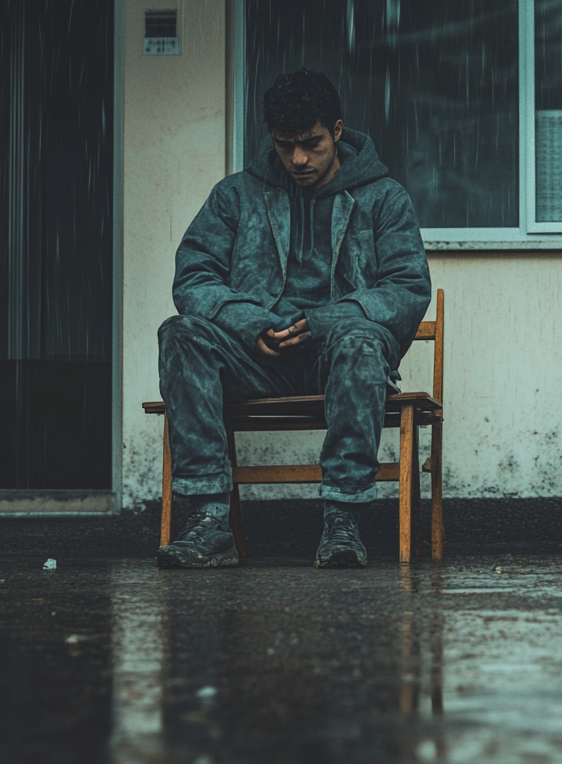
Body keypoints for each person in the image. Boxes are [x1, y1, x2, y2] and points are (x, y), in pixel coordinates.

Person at [156, 68, 431, 569]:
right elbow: (193, 276)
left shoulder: (384, 197)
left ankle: (342, 522)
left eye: (312, 143)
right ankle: (210, 522)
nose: (299, 159)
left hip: (341, 356)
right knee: (181, 333)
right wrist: (247, 322)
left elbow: (407, 288)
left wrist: (328, 321)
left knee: (361, 342)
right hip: (256, 357)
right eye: (286, 146)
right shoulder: (235, 196)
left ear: (338, 131)